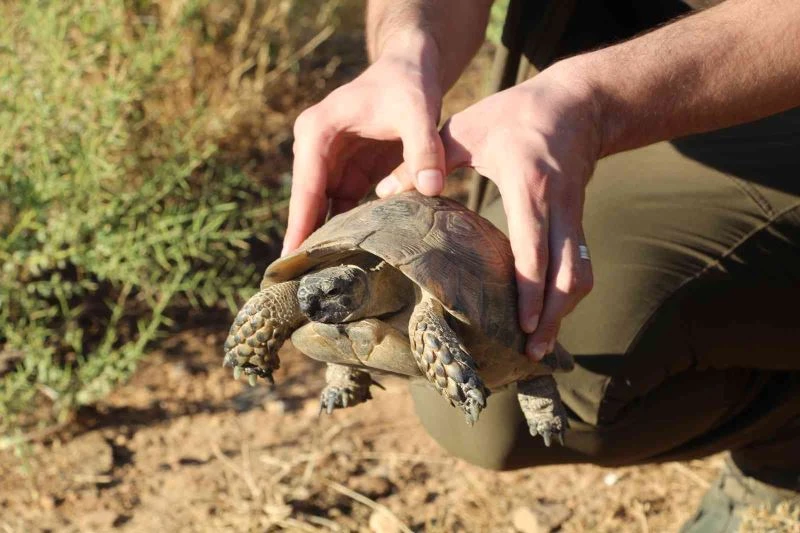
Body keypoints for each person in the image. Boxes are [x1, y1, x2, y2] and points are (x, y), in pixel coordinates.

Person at [283, 1, 800, 530]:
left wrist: (594, 101)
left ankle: (786, 447)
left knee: (529, 379)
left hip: (774, 93)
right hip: (573, 72)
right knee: (484, 415)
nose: (318, 306)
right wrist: (409, 45)